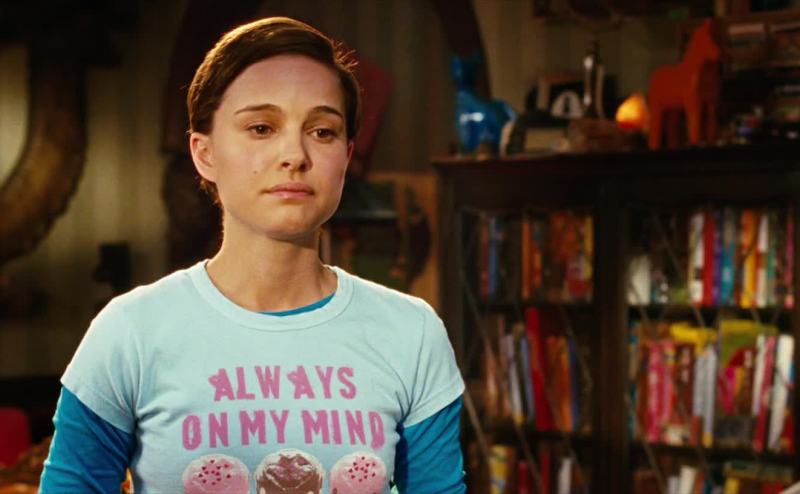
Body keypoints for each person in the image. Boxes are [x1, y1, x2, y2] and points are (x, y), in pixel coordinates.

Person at [39, 16, 466, 494]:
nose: (295, 155)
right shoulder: (131, 332)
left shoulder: (410, 333)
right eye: (262, 127)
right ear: (204, 153)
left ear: (347, 156)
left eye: (322, 131)